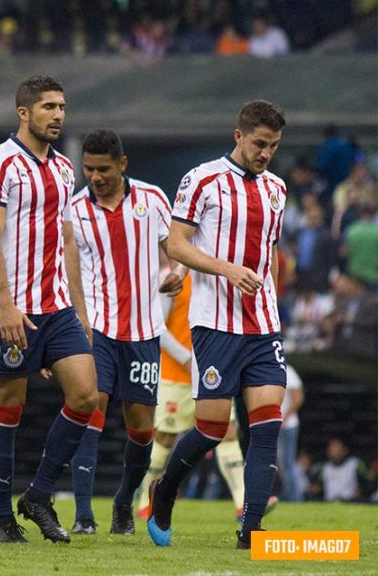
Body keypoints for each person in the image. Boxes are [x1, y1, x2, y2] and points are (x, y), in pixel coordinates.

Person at [147, 99, 289, 550]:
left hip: (263, 323)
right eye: (259, 144)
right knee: (210, 428)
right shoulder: (202, 179)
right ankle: (163, 490)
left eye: (273, 146)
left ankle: (251, 529)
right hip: (214, 323)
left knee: (267, 423)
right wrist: (212, 271)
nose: (266, 153)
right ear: (239, 136)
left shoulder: (277, 190)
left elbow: (263, 258)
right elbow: (177, 242)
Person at [0, 75, 99, 544]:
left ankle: (39, 493)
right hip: (12, 308)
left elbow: (67, 239)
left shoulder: (65, 167)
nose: (58, 115)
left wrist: (80, 309)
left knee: (87, 394)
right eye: (48, 107)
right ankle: (3, 517)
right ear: (24, 113)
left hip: (58, 306)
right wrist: (5, 305)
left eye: (62, 107)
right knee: (8, 404)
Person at [64, 128, 179, 535]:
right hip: (97, 331)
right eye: (89, 169)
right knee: (87, 412)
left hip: (145, 331)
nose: (95, 177)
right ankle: (82, 515)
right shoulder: (74, 210)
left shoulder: (152, 200)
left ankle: (123, 501)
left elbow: (176, 248)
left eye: (104, 170)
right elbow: (70, 272)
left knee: (142, 429)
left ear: (123, 165)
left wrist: (177, 273)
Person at [135, 276, 252, 522]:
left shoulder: (220, 272)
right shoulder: (173, 276)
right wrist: (185, 358)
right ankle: (145, 499)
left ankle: (244, 503)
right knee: (164, 437)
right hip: (176, 374)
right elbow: (158, 326)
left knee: (227, 430)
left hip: (212, 370)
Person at [277, 364, 304, 502]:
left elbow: (298, 398)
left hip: (288, 425)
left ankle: (295, 498)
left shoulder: (288, 371)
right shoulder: (273, 370)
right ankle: (289, 494)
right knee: (281, 464)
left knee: (288, 463)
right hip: (279, 425)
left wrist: (284, 418)